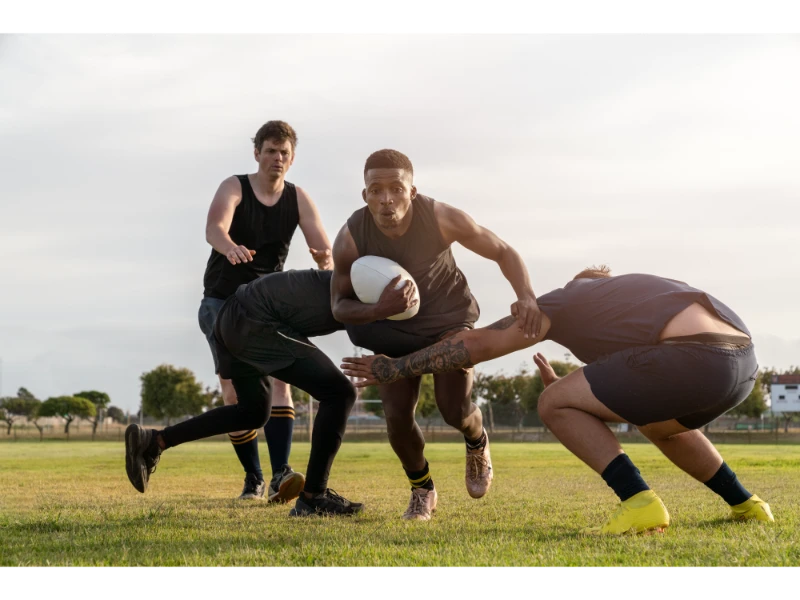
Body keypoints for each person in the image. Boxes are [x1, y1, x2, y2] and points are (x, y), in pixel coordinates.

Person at [341, 265, 775, 534]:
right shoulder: (646, 294)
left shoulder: (576, 295)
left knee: (553, 403)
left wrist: (394, 369)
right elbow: (644, 358)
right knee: (659, 426)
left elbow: (481, 344)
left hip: (691, 356)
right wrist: (580, 385)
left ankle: (640, 503)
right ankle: (746, 504)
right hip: (741, 367)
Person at [330, 148, 543, 521]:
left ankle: (477, 440)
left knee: (453, 409)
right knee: (396, 417)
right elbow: (338, 305)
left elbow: (503, 251)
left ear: (412, 191)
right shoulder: (350, 237)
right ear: (364, 194)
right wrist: (381, 309)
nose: (386, 199)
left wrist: (526, 296)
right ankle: (422, 489)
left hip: (448, 321)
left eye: (396, 188)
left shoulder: (441, 218)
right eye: (375, 190)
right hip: (391, 328)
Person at [127, 268, 363, 517]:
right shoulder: (369, 289)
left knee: (253, 412)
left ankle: (155, 441)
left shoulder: (356, 279)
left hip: (232, 317)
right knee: (340, 393)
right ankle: (314, 497)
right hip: (257, 320)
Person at [200, 120, 335, 503]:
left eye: (284, 153)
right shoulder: (235, 186)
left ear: (291, 159)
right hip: (223, 302)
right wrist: (228, 247)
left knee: (281, 382)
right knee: (233, 392)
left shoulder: (298, 198)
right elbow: (214, 227)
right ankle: (253, 478)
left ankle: (280, 475)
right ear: (257, 153)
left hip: (270, 304)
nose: (277, 158)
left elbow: (322, 246)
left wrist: (328, 264)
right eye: (271, 151)